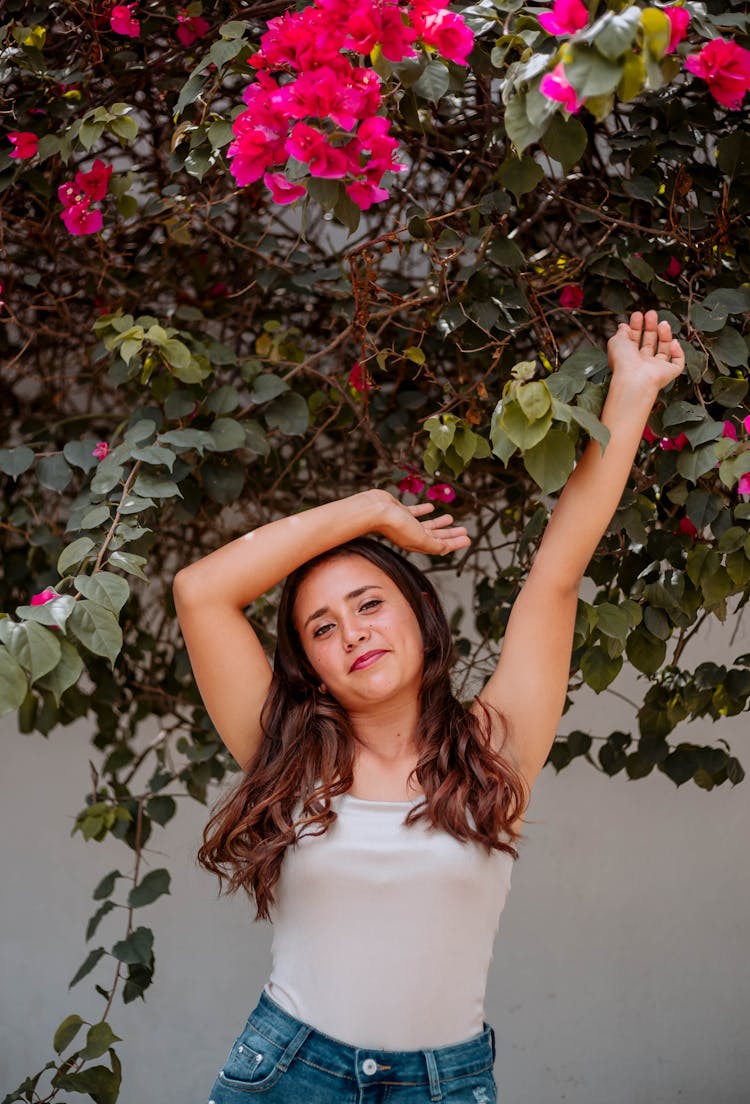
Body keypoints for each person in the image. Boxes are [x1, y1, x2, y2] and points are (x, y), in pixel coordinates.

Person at [173, 310, 685, 1103]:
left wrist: (632, 391)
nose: (353, 633)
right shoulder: (286, 755)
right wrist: (372, 510)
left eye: (370, 604)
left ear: (419, 613)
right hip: (288, 1075)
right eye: (322, 627)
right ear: (308, 665)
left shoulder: (494, 747)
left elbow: (557, 570)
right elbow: (200, 592)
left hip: (443, 1085)